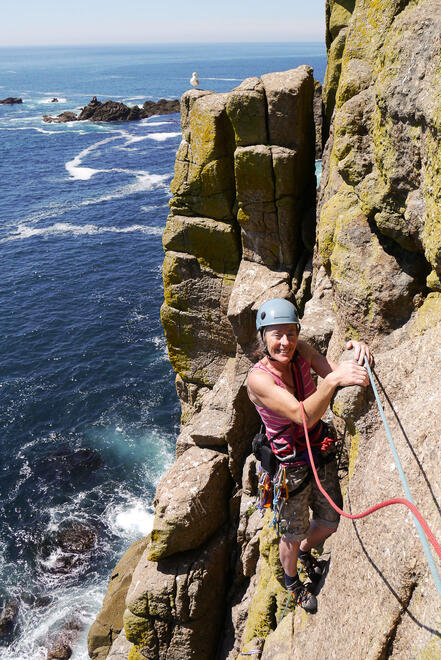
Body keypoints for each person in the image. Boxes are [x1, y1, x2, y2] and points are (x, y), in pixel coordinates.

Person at [247, 298, 372, 613]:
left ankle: (305, 552)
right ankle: (292, 583)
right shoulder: (259, 379)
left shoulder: (300, 350)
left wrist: (355, 354)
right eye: (277, 335)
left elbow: (332, 371)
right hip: (290, 469)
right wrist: (331, 381)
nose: (286, 342)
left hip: (319, 452)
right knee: (290, 534)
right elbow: (302, 414)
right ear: (263, 337)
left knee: (330, 521)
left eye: (291, 333)